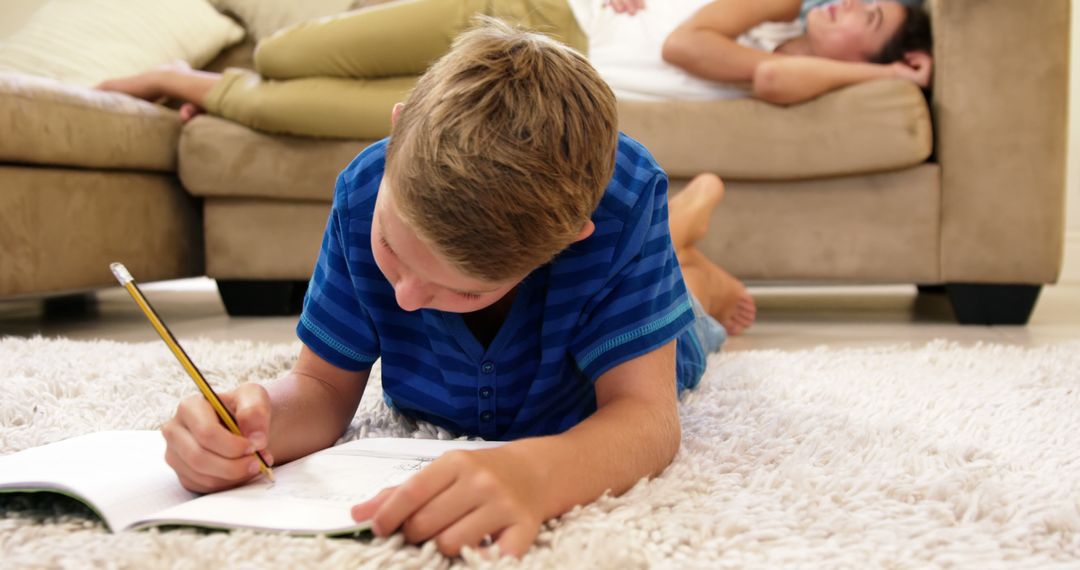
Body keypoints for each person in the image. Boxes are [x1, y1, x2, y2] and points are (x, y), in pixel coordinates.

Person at [160, 19, 746, 559]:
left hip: (647, 324)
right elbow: (319, 386)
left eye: (464, 292)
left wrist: (539, 475)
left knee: (693, 325)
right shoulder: (365, 189)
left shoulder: (621, 209)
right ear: (396, 134)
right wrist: (255, 427)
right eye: (389, 244)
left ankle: (692, 268)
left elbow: (647, 417)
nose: (406, 299)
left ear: (570, 239)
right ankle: (681, 238)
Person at [97, 0, 933, 136]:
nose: (846, 6)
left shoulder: (809, 71)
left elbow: (778, 83)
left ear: (889, 54)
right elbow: (684, 47)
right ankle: (224, 77)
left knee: (301, 109)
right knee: (281, 52)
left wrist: (889, 80)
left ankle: (188, 81)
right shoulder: (776, 6)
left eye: (872, 18)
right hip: (533, 15)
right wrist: (886, 70)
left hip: (536, 84)